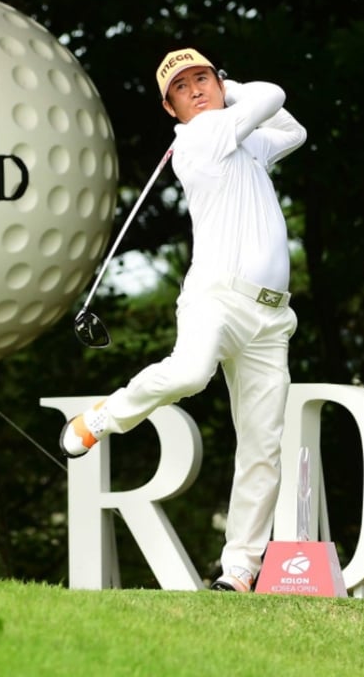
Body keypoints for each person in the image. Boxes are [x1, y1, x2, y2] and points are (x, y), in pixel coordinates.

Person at [59, 48, 306, 593]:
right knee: (192, 373)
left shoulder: (243, 144)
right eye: (181, 89)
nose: (194, 90)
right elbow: (273, 97)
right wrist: (231, 88)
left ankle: (240, 569)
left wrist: (226, 86)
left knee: (263, 443)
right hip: (217, 299)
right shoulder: (201, 137)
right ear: (171, 109)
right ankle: (104, 418)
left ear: (216, 81)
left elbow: (293, 129)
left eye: (202, 79)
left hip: (271, 317)